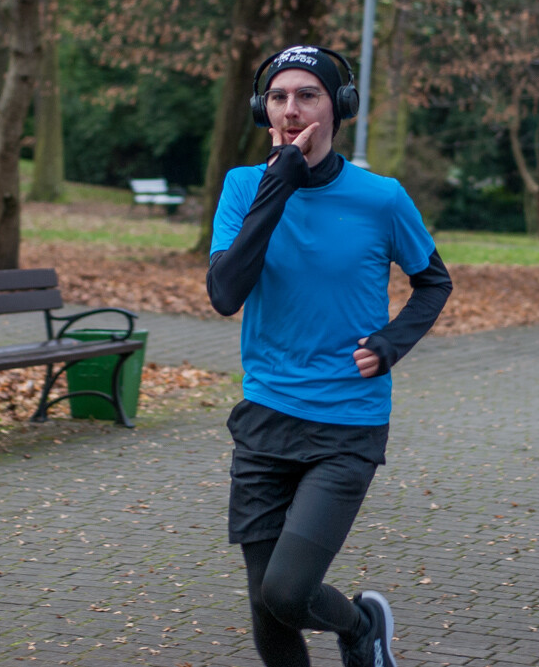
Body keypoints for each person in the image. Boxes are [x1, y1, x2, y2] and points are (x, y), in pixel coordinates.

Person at [206, 45, 453, 667]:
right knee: (267, 605)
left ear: (339, 108)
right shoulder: (242, 188)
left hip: (347, 423)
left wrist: (392, 342)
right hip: (265, 417)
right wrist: (277, 184)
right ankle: (360, 631)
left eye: (307, 95)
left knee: (288, 591)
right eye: (279, 97)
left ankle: (361, 623)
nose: (290, 109)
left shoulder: (381, 198)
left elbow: (434, 283)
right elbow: (225, 293)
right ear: (264, 109)